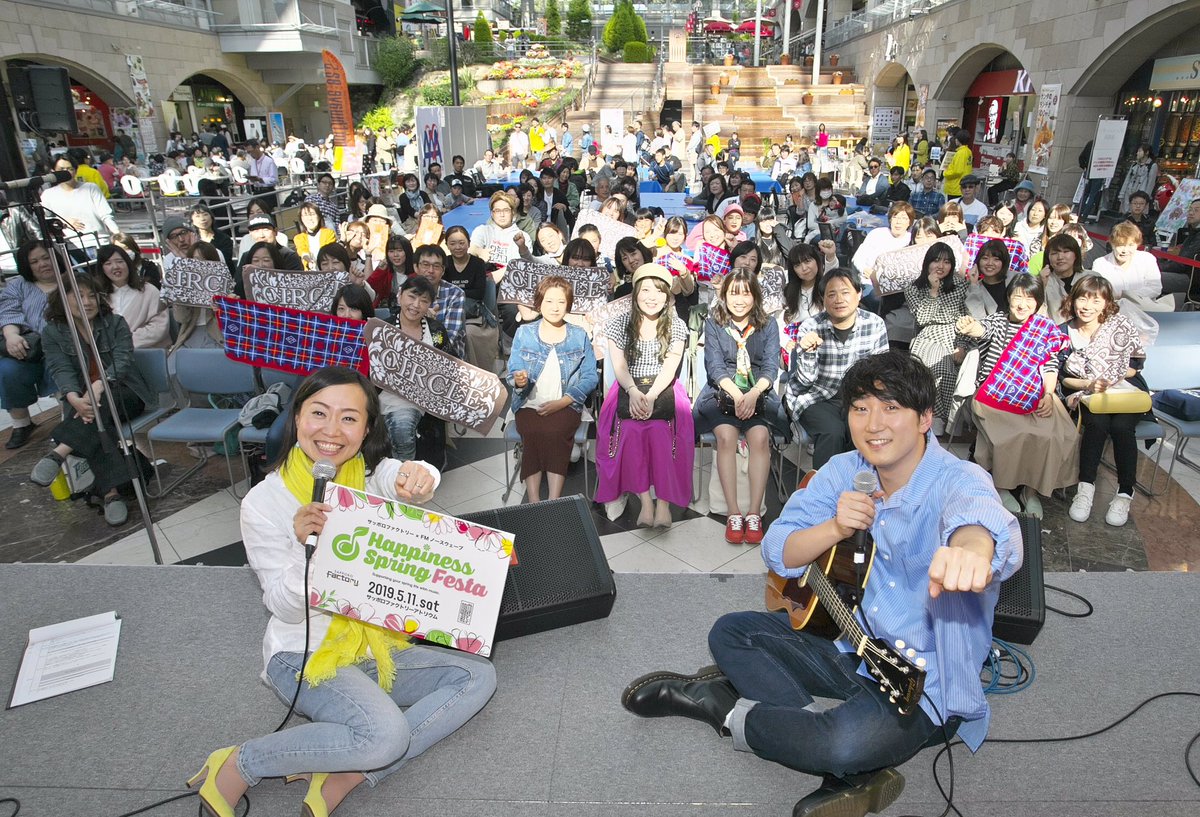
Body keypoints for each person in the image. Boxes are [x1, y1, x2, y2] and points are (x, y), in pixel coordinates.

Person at [622, 350, 1023, 817]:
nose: (873, 424)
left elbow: (981, 520)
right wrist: (833, 528)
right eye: (861, 408)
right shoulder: (844, 471)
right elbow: (777, 549)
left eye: (891, 408)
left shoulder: (959, 479)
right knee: (731, 631)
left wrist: (972, 551)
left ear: (925, 418)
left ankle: (721, 707)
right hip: (849, 645)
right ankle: (835, 753)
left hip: (920, 683)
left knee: (840, 744)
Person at [189, 366, 495, 817]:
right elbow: (284, 609)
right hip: (303, 653)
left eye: (349, 418)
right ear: (297, 417)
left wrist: (423, 474)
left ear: (367, 428)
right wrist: (307, 551)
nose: (332, 431)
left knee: (477, 677)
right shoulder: (263, 503)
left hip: (373, 647)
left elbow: (408, 475)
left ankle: (351, 769)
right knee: (387, 736)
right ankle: (241, 762)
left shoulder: (369, 476)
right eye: (319, 413)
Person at [29, 274, 155, 525]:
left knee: (98, 408)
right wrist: (73, 396)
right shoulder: (53, 332)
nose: (87, 302)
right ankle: (111, 493)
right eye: (78, 296)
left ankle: (60, 451)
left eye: (92, 296)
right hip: (83, 403)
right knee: (97, 422)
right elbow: (60, 368)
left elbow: (122, 361)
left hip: (125, 392)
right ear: (62, 299)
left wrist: (98, 386)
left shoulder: (115, 323)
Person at [956, 274, 1076, 517]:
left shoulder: (1044, 328)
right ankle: (1001, 487)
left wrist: (1049, 394)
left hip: (1036, 394)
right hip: (994, 394)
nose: (1022, 304)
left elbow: (1050, 365)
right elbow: (982, 330)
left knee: (1051, 435)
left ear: (1038, 302)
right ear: (1008, 297)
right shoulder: (998, 321)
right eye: (1017, 297)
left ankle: (1030, 492)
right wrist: (971, 326)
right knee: (1012, 436)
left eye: (1029, 298)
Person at [595, 264, 694, 529]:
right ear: (636, 293)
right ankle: (646, 503)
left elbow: (670, 367)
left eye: (659, 291)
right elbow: (619, 366)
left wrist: (650, 396)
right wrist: (633, 391)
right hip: (628, 387)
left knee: (661, 433)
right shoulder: (619, 324)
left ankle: (663, 504)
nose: (652, 297)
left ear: (667, 296)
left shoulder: (676, 325)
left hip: (664, 387)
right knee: (630, 432)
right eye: (646, 290)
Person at [695, 270, 785, 544]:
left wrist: (753, 394)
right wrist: (737, 395)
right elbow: (714, 367)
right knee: (726, 436)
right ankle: (734, 512)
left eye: (746, 293)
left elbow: (770, 367)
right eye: (734, 293)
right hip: (722, 391)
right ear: (724, 295)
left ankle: (754, 512)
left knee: (760, 438)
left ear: (755, 296)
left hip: (759, 390)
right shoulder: (713, 323)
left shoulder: (768, 324)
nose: (740, 299)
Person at [1058, 275, 1147, 528]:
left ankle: (1124, 493)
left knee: (1122, 428)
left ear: (1106, 303)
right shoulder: (1063, 332)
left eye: (1096, 300)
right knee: (1097, 424)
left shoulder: (1119, 326)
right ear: (1073, 300)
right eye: (1082, 299)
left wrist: (1110, 374)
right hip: (1085, 393)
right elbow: (1062, 377)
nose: (1087, 306)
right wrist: (1089, 383)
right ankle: (1085, 489)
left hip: (1125, 392)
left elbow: (1135, 366)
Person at [785, 268, 888, 470]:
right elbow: (805, 381)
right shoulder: (811, 327)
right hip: (816, 397)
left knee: (861, 429)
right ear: (823, 299)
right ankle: (823, 488)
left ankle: (859, 483)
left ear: (859, 294)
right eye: (831, 294)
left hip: (858, 398)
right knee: (833, 432)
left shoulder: (875, 324)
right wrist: (807, 353)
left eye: (845, 292)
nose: (839, 299)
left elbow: (881, 374)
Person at [506, 276, 597, 502]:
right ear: (539, 303)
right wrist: (519, 381)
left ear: (568, 304)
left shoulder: (579, 335)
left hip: (567, 403)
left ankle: (554, 500)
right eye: (549, 301)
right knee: (534, 432)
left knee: (555, 432)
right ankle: (534, 501)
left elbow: (590, 376)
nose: (555, 307)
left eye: (561, 302)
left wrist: (563, 401)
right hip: (528, 403)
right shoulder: (524, 332)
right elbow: (514, 369)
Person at [379, 276, 453, 464]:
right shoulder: (383, 328)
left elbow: (451, 364)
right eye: (412, 297)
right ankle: (404, 470)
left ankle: (409, 469)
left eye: (424, 300)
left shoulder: (436, 331)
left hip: (428, 397)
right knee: (402, 426)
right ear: (400, 296)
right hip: (392, 396)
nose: (416, 305)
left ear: (430, 304)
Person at [1, 240, 59, 449]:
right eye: (34, 261)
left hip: (61, 346)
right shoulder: (18, 285)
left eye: (45, 257)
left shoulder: (71, 281)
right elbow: (8, 312)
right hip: (28, 345)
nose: (42, 264)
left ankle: (69, 421)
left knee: (61, 366)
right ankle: (22, 424)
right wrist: (11, 336)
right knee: (7, 370)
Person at [904, 243, 967, 436]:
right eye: (936, 260)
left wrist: (961, 345)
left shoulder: (960, 285)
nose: (941, 266)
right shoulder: (914, 288)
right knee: (937, 369)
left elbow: (965, 317)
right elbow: (922, 319)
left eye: (947, 262)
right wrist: (933, 291)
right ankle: (934, 418)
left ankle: (947, 420)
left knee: (952, 371)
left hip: (955, 335)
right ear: (927, 263)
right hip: (927, 336)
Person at [38, 154, 119, 260]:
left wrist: (117, 234)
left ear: (76, 170)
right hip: (72, 247)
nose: (66, 172)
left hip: (99, 242)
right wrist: (63, 222)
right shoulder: (48, 195)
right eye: (61, 169)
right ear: (53, 171)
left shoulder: (91, 188)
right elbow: (45, 221)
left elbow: (106, 214)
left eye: (70, 168)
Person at [94, 244, 169, 349]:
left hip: (148, 352)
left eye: (120, 261)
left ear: (128, 264)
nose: (115, 267)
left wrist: (125, 342)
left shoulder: (149, 291)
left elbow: (159, 327)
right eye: (108, 263)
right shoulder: (99, 296)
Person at [1092, 220, 1183, 304]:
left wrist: (1128, 296)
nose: (1125, 250)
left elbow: (1155, 288)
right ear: (1112, 244)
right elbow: (1098, 293)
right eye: (1120, 245)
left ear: (1137, 245)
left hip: (1143, 308)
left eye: (1130, 245)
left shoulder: (1147, 259)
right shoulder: (1100, 264)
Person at [293, 202, 338, 270]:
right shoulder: (298, 238)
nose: (309, 218)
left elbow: (328, 252)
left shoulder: (328, 233)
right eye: (305, 215)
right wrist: (309, 260)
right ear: (301, 219)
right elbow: (302, 250)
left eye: (312, 214)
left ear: (319, 216)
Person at [1118, 144, 1159, 212]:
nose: (1137, 153)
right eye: (1137, 151)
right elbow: (1127, 180)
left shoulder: (1152, 166)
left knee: (1136, 213)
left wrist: (1146, 198)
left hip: (1140, 195)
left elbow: (1150, 184)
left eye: (1140, 151)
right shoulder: (1134, 164)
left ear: (1146, 152)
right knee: (1125, 214)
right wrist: (1122, 195)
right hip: (1128, 193)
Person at [942, 129, 973, 199]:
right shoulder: (968, 151)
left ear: (958, 140)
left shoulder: (960, 153)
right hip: (963, 185)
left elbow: (957, 171)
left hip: (956, 187)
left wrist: (945, 173)